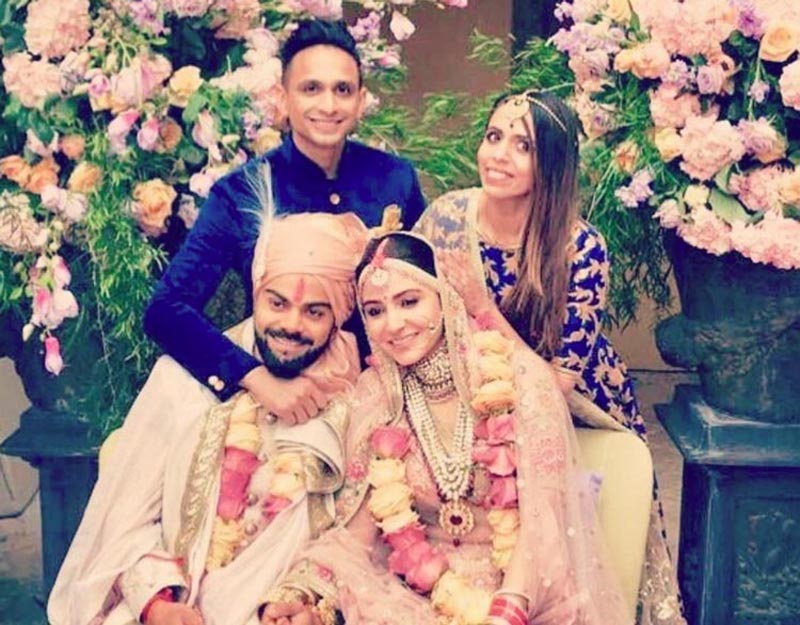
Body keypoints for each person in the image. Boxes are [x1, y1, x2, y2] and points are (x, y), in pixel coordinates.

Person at [260, 232, 632, 625]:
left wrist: (505, 614)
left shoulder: (520, 380)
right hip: (413, 595)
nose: (393, 324)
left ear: (445, 298)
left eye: (409, 301)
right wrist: (301, 592)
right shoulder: (377, 395)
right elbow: (359, 529)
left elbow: (544, 524)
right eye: (375, 310)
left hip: (525, 589)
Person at [415, 91, 685, 624]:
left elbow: (559, 382)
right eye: (494, 137)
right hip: (468, 388)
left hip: (571, 400)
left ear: (553, 164)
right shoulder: (446, 219)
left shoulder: (579, 247)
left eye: (524, 147)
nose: (499, 155)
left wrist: (484, 319)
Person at [47, 211, 369, 625]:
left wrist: (304, 603)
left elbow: (356, 540)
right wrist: (156, 603)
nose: (291, 325)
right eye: (277, 303)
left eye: (315, 312)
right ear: (256, 293)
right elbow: (124, 522)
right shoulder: (181, 382)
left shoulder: (357, 401)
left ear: (339, 315)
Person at [143, 18, 426, 424]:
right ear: (282, 96)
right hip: (281, 401)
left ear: (360, 100)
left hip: (387, 401)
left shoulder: (394, 179)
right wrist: (255, 379)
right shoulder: (241, 193)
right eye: (311, 88)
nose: (328, 105)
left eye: (342, 90)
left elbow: (429, 289)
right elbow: (166, 309)